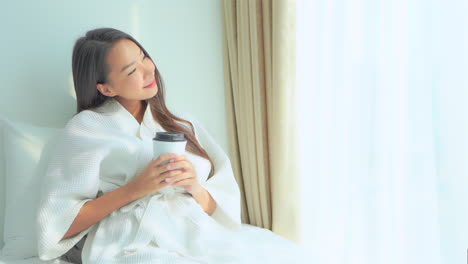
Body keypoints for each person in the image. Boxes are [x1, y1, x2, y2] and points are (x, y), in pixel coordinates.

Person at [36, 28, 309, 264]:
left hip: (194, 231)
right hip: (130, 238)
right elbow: (61, 222)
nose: (148, 70)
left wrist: (194, 187)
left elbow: (224, 207)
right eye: (132, 70)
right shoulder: (86, 128)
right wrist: (137, 188)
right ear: (106, 88)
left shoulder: (182, 123)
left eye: (144, 58)